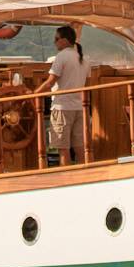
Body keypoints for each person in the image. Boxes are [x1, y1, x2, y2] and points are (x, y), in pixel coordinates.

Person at [45, 23, 86, 167]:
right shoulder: (83, 59)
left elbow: (50, 82)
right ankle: (85, 174)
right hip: (79, 108)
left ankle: (66, 176)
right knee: (79, 146)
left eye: (56, 39)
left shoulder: (61, 57)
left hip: (62, 107)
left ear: (64, 40)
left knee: (63, 148)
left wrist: (33, 94)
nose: (54, 42)